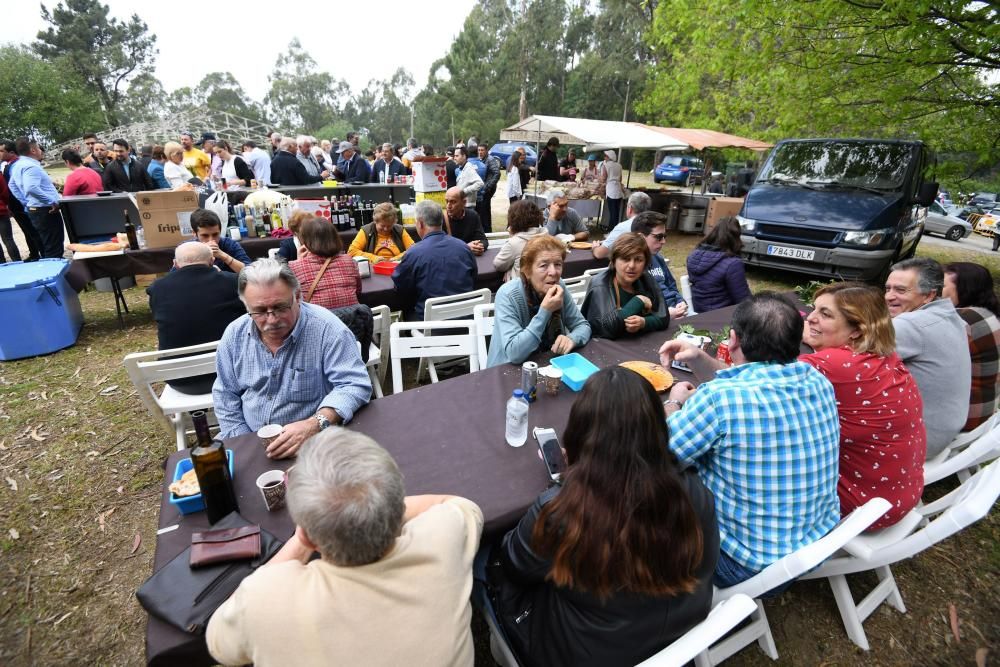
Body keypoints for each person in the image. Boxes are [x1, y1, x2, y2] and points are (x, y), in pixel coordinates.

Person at [488, 367, 719, 666]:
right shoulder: (695, 491)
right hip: (677, 632)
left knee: (485, 556)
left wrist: (565, 482)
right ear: (657, 430)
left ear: (579, 435)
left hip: (582, 651)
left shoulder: (563, 509)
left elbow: (513, 564)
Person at [206, 429, 483, 667]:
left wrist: (300, 541)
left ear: (309, 536)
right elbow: (463, 506)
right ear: (397, 503)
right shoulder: (444, 538)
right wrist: (379, 505)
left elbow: (218, 643)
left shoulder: (263, 598)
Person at [659, 293, 840, 586]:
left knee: (655, 484)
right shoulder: (815, 377)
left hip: (745, 565)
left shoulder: (719, 400)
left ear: (732, 340)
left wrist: (674, 404)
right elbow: (748, 378)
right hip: (817, 544)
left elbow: (660, 456)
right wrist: (698, 358)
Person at [213, 259, 371, 457]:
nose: (272, 320)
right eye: (260, 311)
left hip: (313, 444)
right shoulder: (234, 334)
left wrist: (315, 424)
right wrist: (243, 440)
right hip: (249, 438)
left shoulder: (328, 330)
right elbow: (225, 393)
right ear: (246, 306)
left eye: (280, 307)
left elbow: (353, 384)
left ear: (298, 296)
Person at [800, 283, 925, 529]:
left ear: (857, 330)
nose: (810, 318)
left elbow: (758, 382)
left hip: (859, 506)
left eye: (825, 314)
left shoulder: (829, 365)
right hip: (899, 493)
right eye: (813, 310)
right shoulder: (885, 356)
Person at [885, 258, 971, 458]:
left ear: (929, 295)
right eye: (887, 288)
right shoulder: (949, 315)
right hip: (944, 429)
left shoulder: (912, 324)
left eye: (900, 290)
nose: (889, 296)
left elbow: (854, 359)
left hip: (918, 438)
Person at [146, 242, 246, 395]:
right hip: (234, 374)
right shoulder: (233, 282)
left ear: (175, 264)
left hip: (180, 380)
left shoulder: (157, 288)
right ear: (212, 261)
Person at [487, 235, 591, 367]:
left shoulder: (559, 286)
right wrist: (545, 311)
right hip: (506, 371)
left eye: (558, 264)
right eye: (543, 265)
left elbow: (583, 326)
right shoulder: (508, 294)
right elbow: (515, 353)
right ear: (527, 270)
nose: (553, 272)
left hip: (548, 364)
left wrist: (572, 339)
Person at [392, 201, 477, 321]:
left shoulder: (414, 253)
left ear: (420, 223)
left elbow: (401, 286)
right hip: (467, 324)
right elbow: (473, 278)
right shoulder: (464, 247)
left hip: (431, 327)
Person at [943, 262, 1000, 432]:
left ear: (964, 289)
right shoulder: (988, 313)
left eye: (942, 285)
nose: (934, 291)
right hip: (985, 411)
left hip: (965, 417)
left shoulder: (963, 321)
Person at [582, 233, 668, 339]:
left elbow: (664, 317)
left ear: (645, 263)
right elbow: (607, 328)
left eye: (638, 260)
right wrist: (639, 301)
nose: (632, 266)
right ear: (614, 261)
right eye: (625, 259)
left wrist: (644, 322)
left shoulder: (646, 279)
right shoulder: (600, 285)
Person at [7, 137, 63, 259]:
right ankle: (54, 274)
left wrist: (25, 201)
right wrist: (51, 201)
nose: (40, 150)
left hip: (36, 208)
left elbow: (12, 185)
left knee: (48, 244)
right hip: (45, 210)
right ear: (33, 150)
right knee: (53, 247)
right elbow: (31, 188)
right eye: (38, 147)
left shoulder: (17, 165)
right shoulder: (30, 166)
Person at [289, 217, 361, 310]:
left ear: (305, 240)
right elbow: (358, 291)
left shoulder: (294, 266)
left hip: (318, 322)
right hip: (352, 321)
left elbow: (293, 299)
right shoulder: (348, 260)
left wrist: (298, 261)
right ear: (335, 237)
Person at [686, 216, 752, 312]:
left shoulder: (693, 256)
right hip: (721, 316)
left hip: (698, 311)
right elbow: (743, 301)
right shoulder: (733, 264)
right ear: (736, 237)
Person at [632, 211, 687, 318]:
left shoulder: (657, 257)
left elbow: (672, 286)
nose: (663, 241)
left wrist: (681, 302)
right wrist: (665, 314)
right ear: (641, 237)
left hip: (677, 310)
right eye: (659, 237)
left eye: (664, 236)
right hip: (657, 317)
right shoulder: (630, 266)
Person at [0, 141, 42, 260]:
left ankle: (41, 254)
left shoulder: (17, 165)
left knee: (32, 231)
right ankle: (34, 253)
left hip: (20, 204)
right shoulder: (7, 165)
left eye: (2, 151)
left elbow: (11, 188)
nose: (0, 154)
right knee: (27, 231)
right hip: (15, 205)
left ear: (12, 153)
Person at [494, 200, 549, 282]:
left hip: (521, 289)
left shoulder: (514, 243)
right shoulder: (546, 236)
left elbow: (499, 265)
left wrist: (511, 270)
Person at [592, 191, 652, 259]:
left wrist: (595, 247)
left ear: (630, 208)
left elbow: (599, 254)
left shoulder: (623, 227)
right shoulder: (655, 225)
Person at [348, 202, 415, 263]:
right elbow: (352, 251)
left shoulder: (399, 230)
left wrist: (397, 258)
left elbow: (414, 249)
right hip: (374, 268)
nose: (385, 229)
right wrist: (373, 258)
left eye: (389, 226)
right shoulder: (366, 231)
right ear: (375, 221)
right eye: (382, 226)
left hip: (396, 267)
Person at [189, 209, 252, 273]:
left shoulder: (230, 244)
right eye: (205, 235)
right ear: (194, 233)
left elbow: (249, 272)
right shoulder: (185, 249)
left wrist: (223, 256)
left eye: (215, 234)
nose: (211, 240)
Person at [443, 187, 488, 255]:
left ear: (464, 202)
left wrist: (478, 247)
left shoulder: (473, 216)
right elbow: (440, 247)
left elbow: (483, 240)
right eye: (447, 201)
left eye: (453, 202)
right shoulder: (440, 219)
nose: (448, 206)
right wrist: (466, 248)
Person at [476, 143, 501, 232]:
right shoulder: (481, 159)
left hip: (487, 189)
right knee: (484, 211)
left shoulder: (490, 159)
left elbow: (497, 173)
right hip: (484, 189)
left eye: (482, 150)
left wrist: (488, 186)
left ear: (486, 151)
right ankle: (486, 230)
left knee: (485, 211)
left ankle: (487, 231)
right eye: (479, 150)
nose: (480, 152)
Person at [599, 150, 624, 229]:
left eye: (605, 156)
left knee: (612, 211)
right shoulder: (619, 165)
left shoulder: (605, 165)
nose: (604, 157)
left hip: (611, 188)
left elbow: (603, 178)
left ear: (609, 157)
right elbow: (620, 179)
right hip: (618, 188)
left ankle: (612, 229)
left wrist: (599, 179)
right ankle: (612, 228)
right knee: (616, 211)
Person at [0, 171, 21, 262]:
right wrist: (4, 204)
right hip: (1, 210)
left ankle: (1, 264)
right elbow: (5, 192)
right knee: (8, 239)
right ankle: (17, 261)